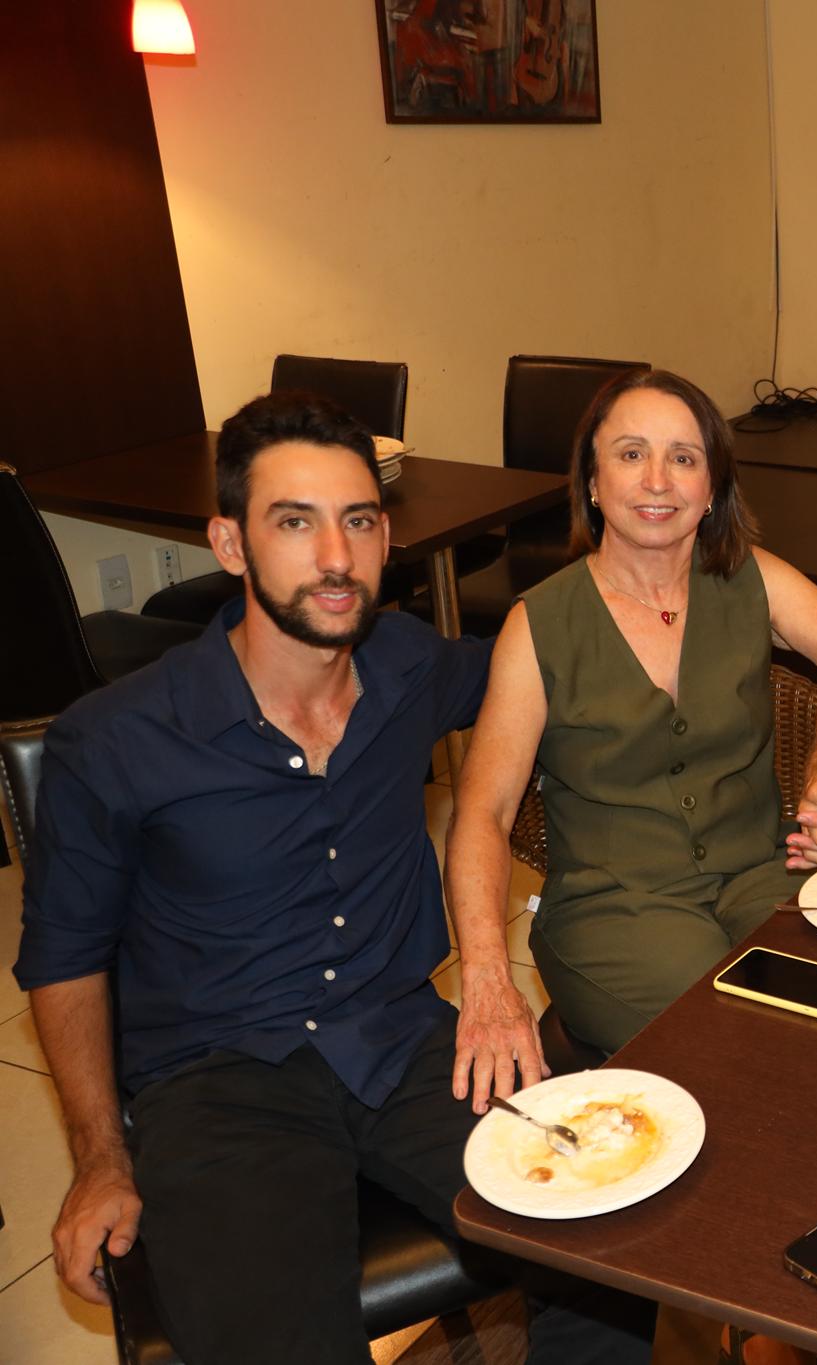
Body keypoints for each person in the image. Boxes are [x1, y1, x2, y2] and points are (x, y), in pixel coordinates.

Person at [14, 393, 651, 1365]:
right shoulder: (115, 740)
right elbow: (64, 961)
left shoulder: (408, 666)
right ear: (230, 543)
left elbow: (546, 658)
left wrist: (665, 573)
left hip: (406, 1044)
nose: (335, 556)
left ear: (386, 536)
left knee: (612, 1244)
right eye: (294, 522)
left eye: (357, 521)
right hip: (219, 1081)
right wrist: (100, 1157)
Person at [444, 368, 817, 1073]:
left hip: (765, 878)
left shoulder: (751, 578)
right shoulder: (539, 625)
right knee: (729, 1034)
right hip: (614, 912)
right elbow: (483, 813)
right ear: (592, 481)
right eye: (631, 454)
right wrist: (488, 976)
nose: (657, 480)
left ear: (712, 489)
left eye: (683, 457)